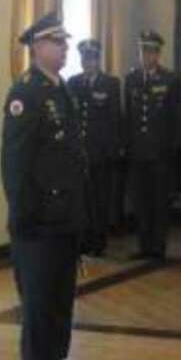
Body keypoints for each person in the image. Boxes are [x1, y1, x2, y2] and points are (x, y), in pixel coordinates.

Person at [0, 12, 90, 360]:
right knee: (38, 298)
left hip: (65, 214)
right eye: (58, 43)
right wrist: (22, 216)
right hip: (38, 218)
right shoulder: (26, 94)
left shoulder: (61, 90)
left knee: (60, 295)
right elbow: (16, 164)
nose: (65, 48)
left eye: (65, 42)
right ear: (37, 47)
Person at [124, 31, 178, 260]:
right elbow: (128, 117)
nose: (147, 56)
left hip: (160, 152)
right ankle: (144, 244)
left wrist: (173, 149)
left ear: (158, 53)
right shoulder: (132, 79)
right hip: (138, 152)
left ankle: (158, 246)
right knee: (141, 201)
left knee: (159, 201)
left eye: (151, 51)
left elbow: (176, 117)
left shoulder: (169, 80)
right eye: (143, 51)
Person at [67, 40, 122, 257]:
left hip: (102, 153)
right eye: (84, 59)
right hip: (80, 152)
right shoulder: (73, 83)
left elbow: (115, 119)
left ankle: (99, 240)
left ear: (98, 60)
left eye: (91, 59)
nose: (87, 63)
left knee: (100, 199)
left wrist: (114, 150)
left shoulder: (110, 84)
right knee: (82, 199)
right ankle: (84, 239)